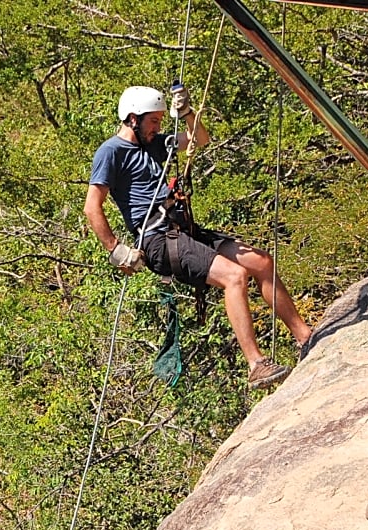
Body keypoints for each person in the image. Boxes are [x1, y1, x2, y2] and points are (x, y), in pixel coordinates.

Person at [82, 85, 312, 389]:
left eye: (161, 121)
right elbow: (91, 207)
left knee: (261, 261)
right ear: (133, 119)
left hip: (181, 227)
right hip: (157, 239)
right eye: (153, 121)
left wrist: (187, 113)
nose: (158, 128)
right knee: (235, 276)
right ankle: (256, 364)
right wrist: (117, 250)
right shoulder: (111, 151)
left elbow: (199, 140)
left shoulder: (154, 143)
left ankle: (305, 337)